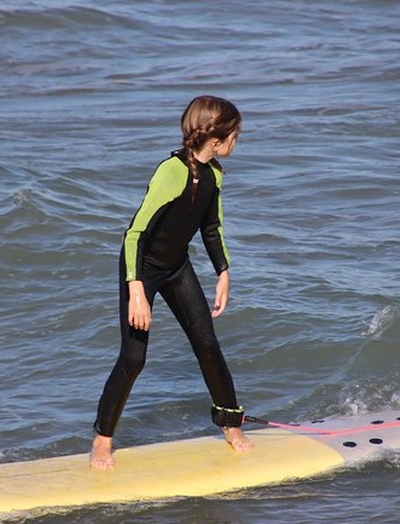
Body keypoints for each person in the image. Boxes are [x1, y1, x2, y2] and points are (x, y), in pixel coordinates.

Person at [90, 95, 253, 470]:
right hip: (142, 268)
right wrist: (136, 291)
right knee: (134, 359)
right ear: (217, 139)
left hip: (177, 266)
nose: (237, 142)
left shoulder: (213, 176)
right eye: (235, 135)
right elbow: (134, 234)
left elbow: (212, 228)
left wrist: (223, 272)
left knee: (208, 345)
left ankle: (230, 424)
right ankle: (102, 440)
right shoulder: (171, 171)